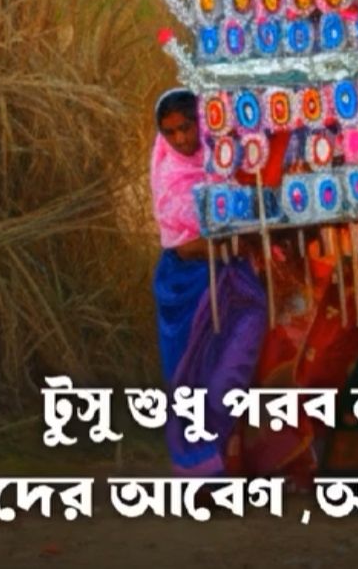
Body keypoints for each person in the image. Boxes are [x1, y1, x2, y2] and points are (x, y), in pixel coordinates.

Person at [150, 87, 266, 475]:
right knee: (191, 377)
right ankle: (198, 469)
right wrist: (238, 244)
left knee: (231, 369)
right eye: (171, 133)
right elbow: (183, 246)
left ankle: (217, 455)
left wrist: (243, 242)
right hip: (186, 286)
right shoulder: (168, 174)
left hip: (235, 280)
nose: (182, 140)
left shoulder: (223, 159)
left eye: (187, 127)